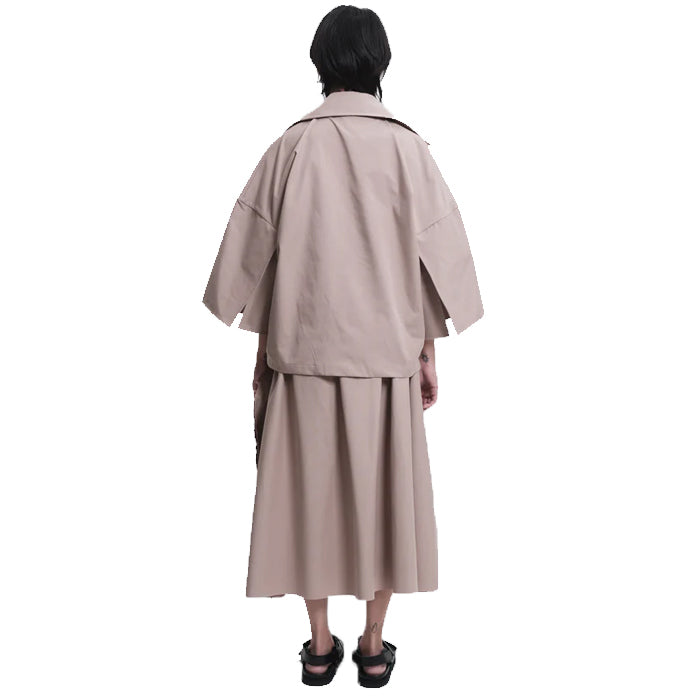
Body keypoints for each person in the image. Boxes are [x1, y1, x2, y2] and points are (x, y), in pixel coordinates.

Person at [202, 5, 483, 688]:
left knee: (308, 502)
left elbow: (252, 252)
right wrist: (429, 351)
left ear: (320, 63)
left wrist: (257, 348)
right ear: (380, 62)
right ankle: (375, 645)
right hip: (385, 359)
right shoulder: (408, 149)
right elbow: (435, 258)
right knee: (385, 503)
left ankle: (320, 643)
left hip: (302, 355)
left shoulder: (292, 146)